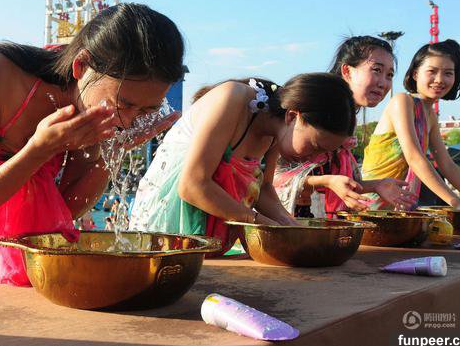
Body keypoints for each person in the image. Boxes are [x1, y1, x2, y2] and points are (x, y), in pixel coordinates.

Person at [0, 3, 186, 296]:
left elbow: (66, 208)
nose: (129, 120)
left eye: (146, 110)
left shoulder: (96, 106)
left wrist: (113, 152)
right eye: (124, 104)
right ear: (81, 67)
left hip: (16, 251)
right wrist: (39, 150)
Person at [129, 73, 357, 253]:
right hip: (170, 218)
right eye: (315, 146)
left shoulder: (275, 131)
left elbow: (264, 189)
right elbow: (192, 186)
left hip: (208, 232)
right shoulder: (233, 98)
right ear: (292, 116)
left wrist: (288, 224)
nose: (313, 159)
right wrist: (258, 221)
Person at [361, 39, 460, 228]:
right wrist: (457, 202)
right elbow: (414, 157)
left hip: (399, 207)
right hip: (372, 204)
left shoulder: (430, 115)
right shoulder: (402, 101)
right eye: (432, 71)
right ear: (415, 74)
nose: (439, 79)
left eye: (448, 73)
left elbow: (446, 164)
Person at [273, 36, 415, 217]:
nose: (383, 83)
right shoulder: (316, 109)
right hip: (283, 217)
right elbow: (273, 177)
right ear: (347, 71)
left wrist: (377, 185)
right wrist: (327, 181)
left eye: (389, 75)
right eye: (376, 70)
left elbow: (340, 182)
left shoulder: (347, 119)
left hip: (312, 218)